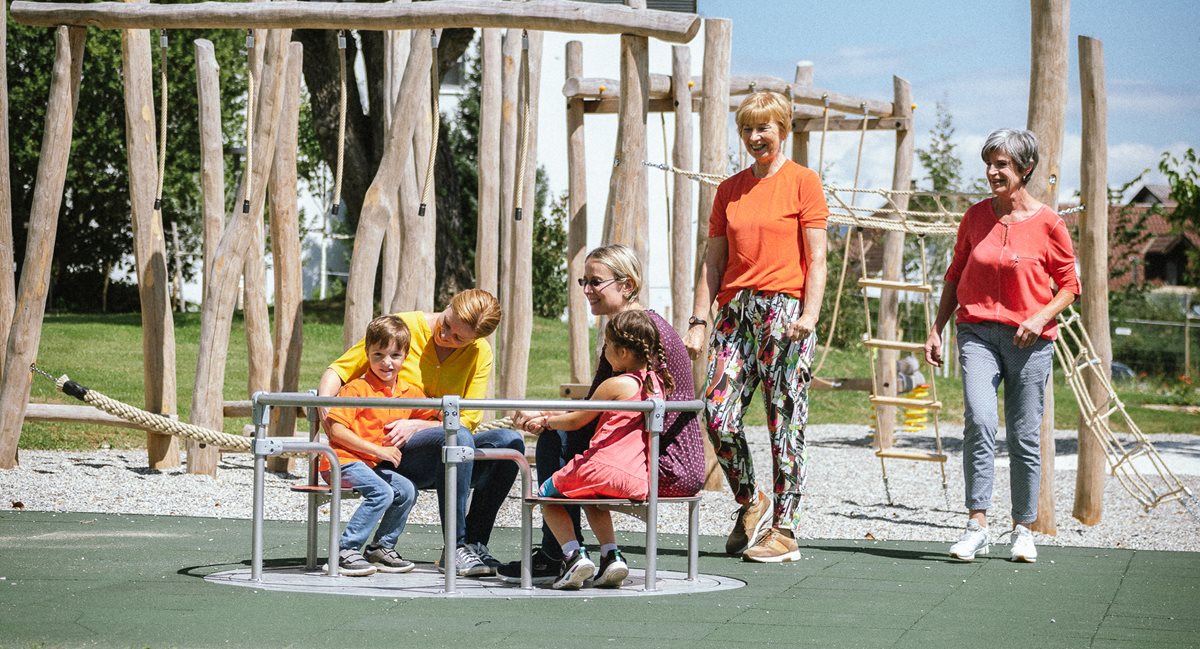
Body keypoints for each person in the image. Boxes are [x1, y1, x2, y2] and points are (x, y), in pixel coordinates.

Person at [499, 244, 704, 583]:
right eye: (584, 281)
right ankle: (599, 553)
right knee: (569, 443)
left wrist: (547, 421)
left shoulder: (642, 333)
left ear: (626, 285)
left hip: (665, 460)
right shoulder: (631, 330)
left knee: (558, 447)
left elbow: (593, 412)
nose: (587, 290)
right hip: (658, 452)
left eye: (595, 281)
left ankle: (561, 552)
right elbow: (594, 405)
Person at [683, 90, 829, 563]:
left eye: (763, 128)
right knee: (718, 413)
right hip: (735, 312)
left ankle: (786, 529)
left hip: (785, 313)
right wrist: (700, 320)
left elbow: (819, 257)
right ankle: (751, 500)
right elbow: (713, 260)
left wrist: (810, 314)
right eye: (746, 129)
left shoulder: (803, 182)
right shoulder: (729, 190)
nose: (754, 137)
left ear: (782, 129)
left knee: (784, 421)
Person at [924, 128, 1080, 563]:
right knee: (979, 420)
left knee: (1025, 436)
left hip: (1029, 341)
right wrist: (936, 327)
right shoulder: (975, 217)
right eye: (989, 164)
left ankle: (1023, 529)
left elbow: (1069, 286)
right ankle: (976, 525)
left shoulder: (1050, 223)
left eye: (1002, 165)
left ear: (1024, 170)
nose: (992, 172)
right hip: (976, 333)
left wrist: (1040, 316)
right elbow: (955, 275)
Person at [318, 289, 525, 577]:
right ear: (448, 304)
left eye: (458, 338)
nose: (446, 336)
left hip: (440, 447)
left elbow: (468, 417)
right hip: (390, 449)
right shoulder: (402, 329)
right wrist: (327, 414)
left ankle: (474, 544)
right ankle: (456, 545)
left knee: (509, 442)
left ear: (476, 340)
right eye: (447, 323)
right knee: (457, 438)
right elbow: (338, 371)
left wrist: (419, 424)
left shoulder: (480, 354)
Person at [525, 310, 675, 589]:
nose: (604, 351)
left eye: (607, 345)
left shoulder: (614, 385)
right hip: (637, 476)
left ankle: (572, 555)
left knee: (545, 495)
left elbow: (576, 420)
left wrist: (544, 421)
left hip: (600, 466)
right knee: (592, 498)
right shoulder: (657, 385)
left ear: (623, 352)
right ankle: (611, 554)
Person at [320, 315, 425, 577]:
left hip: (369, 464)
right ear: (367, 353)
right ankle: (345, 550)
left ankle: (381, 548)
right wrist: (378, 450)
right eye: (378, 354)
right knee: (382, 492)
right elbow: (336, 430)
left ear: (405, 356)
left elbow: (435, 415)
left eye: (394, 355)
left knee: (407, 490)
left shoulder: (408, 393)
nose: (386, 363)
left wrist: (420, 425)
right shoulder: (356, 389)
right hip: (339, 461)